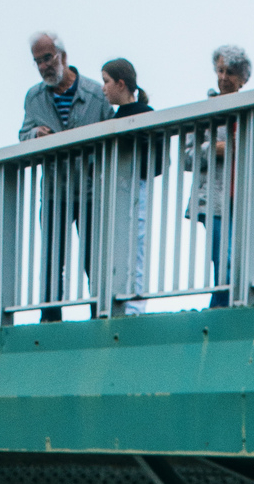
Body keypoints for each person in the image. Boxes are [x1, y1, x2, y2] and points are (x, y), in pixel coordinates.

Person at [19, 33, 106, 320]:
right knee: (52, 257)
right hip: (56, 189)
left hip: (92, 189)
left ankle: (99, 312)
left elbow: (113, 136)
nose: (43, 66)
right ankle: (50, 315)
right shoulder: (34, 97)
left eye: (47, 58)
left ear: (62, 56)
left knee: (95, 256)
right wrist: (35, 134)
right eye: (37, 61)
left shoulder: (96, 93)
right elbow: (23, 135)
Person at [184, 46, 253, 308]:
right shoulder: (204, 110)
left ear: (242, 79)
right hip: (212, 198)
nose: (224, 78)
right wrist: (216, 150)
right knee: (222, 257)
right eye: (221, 70)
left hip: (242, 198)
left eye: (231, 73)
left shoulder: (251, 112)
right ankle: (221, 307)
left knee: (236, 258)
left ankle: (229, 304)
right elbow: (187, 157)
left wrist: (245, 153)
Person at [101, 60, 155, 315]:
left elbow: (155, 160)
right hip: (119, 190)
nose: (103, 88)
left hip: (136, 187)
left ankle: (135, 303)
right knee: (118, 243)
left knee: (137, 242)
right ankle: (120, 301)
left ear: (120, 83)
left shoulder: (143, 113)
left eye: (106, 81)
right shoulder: (115, 117)